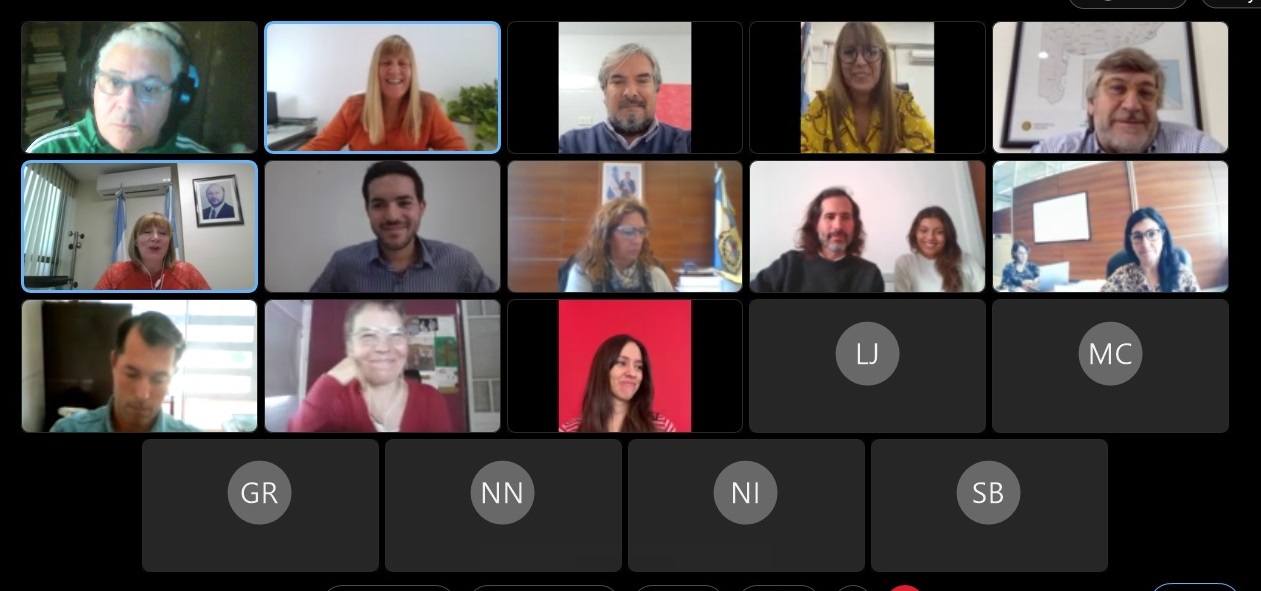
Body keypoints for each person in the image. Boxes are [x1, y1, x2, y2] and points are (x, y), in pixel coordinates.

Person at [310, 161, 497, 292]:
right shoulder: (343, 264)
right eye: (379, 205)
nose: (392, 216)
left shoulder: (461, 264)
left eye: (404, 203)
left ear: (421, 207)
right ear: (368, 210)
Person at [27, 22, 211, 154]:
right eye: (115, 82)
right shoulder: (43, 154)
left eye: (149, 88)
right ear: (92, 84)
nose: (127, 104)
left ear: (179, 98)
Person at [288, 301, 456, 432]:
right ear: (350, 347)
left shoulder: (431, 400)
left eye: (395, 334)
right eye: (368, 335)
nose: (383, 347)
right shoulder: (336, 402)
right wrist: (330, 380)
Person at [1031, 47, 1224, 154]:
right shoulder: (1053, 150)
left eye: (1146, 92)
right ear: (1092, 103)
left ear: (1156, 105)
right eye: (1117, 89)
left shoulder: (1197, 147)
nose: (1132, 105)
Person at [299, 35, 467, 152]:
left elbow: (458, 151)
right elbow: (315, 150)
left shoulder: (428, 106)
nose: (394, 70)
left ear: (412, 70)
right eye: (386, 63)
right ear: (375, 71)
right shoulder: (353, 107)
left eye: (402, 63)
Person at [50, 311, 200, 432]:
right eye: (132, 374)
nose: (142, 394)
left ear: (172, 375)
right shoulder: (67, 430)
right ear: (114, 362)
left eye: (158, 379)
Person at [800, 22, 934, 154]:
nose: (860, 62)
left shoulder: (903, 104)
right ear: (839, 62)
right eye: (849, 52)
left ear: (883, 61)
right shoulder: (823, 105)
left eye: (871, 52)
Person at [558, 43, 691, 153]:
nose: (631, 92)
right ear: (604, 91)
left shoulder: (686, 144)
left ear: (656, 89)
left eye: (642, 81)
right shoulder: (571, 145)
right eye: (618, 82)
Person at [750, 187, 884, 292]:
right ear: (815, 224)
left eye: (846, 217)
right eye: (830, 217)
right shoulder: (788, 265)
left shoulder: (870, 274)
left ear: (855, 225)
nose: (838, 226)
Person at [560, 334, 677, 433]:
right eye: (622, 363)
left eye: (639, 367)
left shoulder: (662, 427)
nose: (632, 373)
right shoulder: (569, 430)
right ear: (603, 369)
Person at [564, 196, 673, 292]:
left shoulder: (655, 276)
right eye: (628, 232)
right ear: (607, 235)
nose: (638, 240)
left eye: (641, 232)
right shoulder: (584, 274)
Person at [95, 212, 212, 290]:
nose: (155, 238)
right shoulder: (115, 273)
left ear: (169, 243)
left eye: (162, 233)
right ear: (135, 241)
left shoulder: (187, 273)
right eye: (147, 232)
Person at [1102, 207, 1199, 292]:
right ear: (1130, 242)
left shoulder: (1183, 276)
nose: (1145, 244)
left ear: (1163, 237)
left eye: (1152, 234)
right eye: (1137, 236)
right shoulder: (1120, 278)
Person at [893, 206, 985, 292]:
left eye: (939, 232)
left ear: (948, 235)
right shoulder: (905, 263)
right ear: (915, 233)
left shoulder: (967, 261)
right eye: (924, 230)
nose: (930, 237)